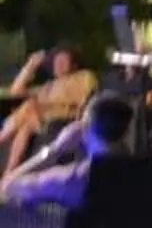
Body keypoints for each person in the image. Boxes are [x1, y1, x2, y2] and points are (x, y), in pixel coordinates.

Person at [1, 93, 135, 209]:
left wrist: (55, 149)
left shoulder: (70, 179)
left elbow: (7, 186)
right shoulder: (136, 170)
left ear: (86, 124)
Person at [2, 47, 98, 176]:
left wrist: (47, 106)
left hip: (64, 119)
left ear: (74, 64)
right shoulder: (49, 86)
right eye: (56, 61)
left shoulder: (83, 76)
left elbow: (85, 98)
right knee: (25, 125)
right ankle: (9, 173)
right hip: (38, 120)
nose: (58, 64)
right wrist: (30, 66)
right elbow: (15, 92)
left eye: (63, 60)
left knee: (29, 106)